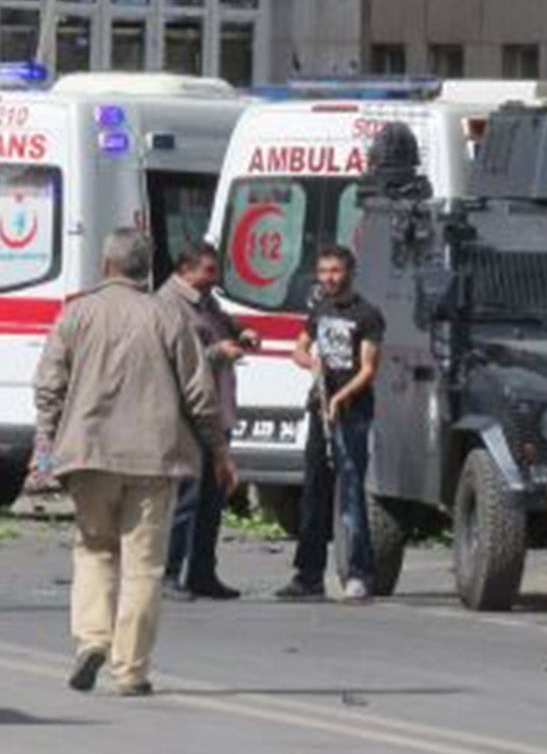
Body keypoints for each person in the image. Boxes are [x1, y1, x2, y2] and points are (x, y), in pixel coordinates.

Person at [34, 227, 224, 697]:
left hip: (89, 452)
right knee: (143, 566)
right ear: (148, 268)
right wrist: (217, 447)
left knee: (94, 549)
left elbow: (48, 386)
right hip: (153, 457)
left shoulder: (75, 314)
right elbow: (199, 392)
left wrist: (45, 445)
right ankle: (131, 670)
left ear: (106, 266)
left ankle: (91, 640)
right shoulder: (167, 317)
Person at [274, 245, 385, 603]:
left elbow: (369, 369)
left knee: (351, 493)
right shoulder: (318, 308)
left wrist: (340, 397)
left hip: (351, 412)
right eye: (323, 271)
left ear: (350, 272)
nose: (328, 278)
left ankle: (360, 574)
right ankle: (308, 577)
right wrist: (311, 364)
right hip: (320, 409)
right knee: (313, 492)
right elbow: (299, 348)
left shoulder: (367, 314)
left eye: (335, 271)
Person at [158, 242, 247, 601]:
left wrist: (240, 335)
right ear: (186, 270)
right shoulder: (169, 305)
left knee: (213, 495)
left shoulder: (205, 301)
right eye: (208, 271)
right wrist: (217, 353)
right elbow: (175, 361)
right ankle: (167, 573)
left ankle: (201, 572)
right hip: (187, 414)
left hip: (215, 409)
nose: (215, 278)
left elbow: (224, 325)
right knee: (186, 498)